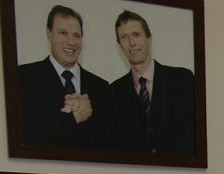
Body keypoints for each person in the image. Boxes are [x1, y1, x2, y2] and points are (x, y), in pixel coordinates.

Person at [15, 5, 115, 150]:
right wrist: (73, 118)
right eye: (63, 33)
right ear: (48, 34)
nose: (71, 42)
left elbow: (110, 145)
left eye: (76, 35)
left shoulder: (102, 88)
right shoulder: (23, 78)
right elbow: (28, 137)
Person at [109, 8, 197, 156]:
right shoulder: (113, 92)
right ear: (119, 45)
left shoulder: (183, 80)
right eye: (124, 37)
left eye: (136, 35)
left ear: (149, 38)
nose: (131, 42)